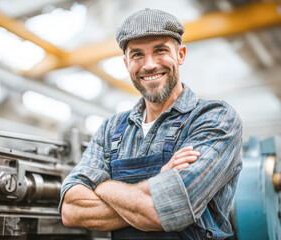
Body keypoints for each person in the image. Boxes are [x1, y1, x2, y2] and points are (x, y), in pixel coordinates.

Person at [59, 8, 243, 240]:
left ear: (181, 55)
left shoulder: (214, 117)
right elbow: (70, 210)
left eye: (160, 51)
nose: (149, 65)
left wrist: (104, 186)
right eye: (137, 55)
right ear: (126, 63)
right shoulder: (110, 129)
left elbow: (167, 211)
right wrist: (156, 184)